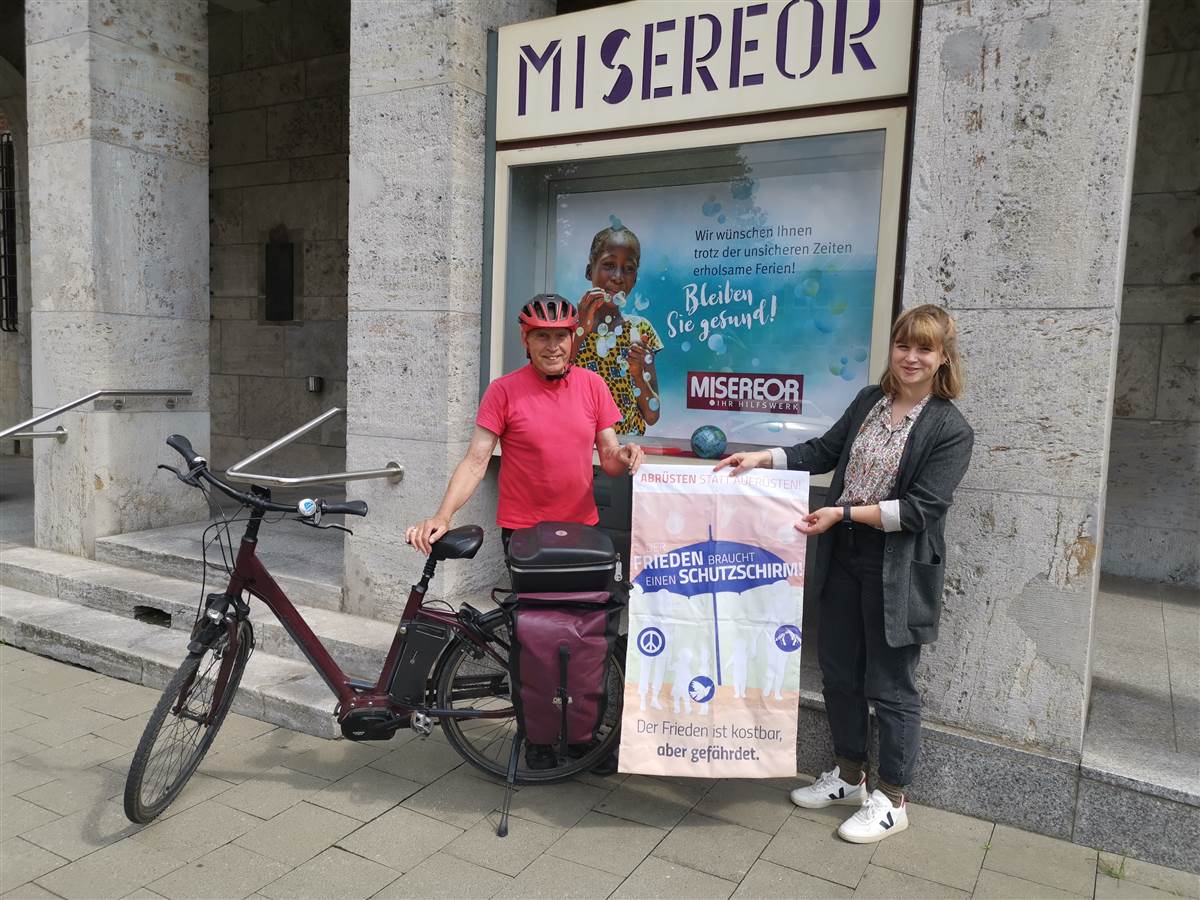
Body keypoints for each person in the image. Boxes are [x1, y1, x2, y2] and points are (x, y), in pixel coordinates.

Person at [714, 304, 973, 844]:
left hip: (894, 568)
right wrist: (761, 457)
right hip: (841, 557)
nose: (911, 356)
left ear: (943, 357)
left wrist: (843, 512)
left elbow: (921, 510)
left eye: (924, 348)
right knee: (838, 673)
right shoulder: (868, 403)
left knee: (891, 685)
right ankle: (850, 777)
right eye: (904, 345)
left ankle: (893, 798)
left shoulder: (950, 428)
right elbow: (823, 451)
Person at [406, 294, 645, 770]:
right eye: (543, 337)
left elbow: (610, 458)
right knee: (531, 637)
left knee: (586, 636)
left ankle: (583, 736)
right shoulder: (504, 391)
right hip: (525, 537)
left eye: (561, 336)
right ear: (526, 340)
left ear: (574, 338)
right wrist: (443, 515)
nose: (553, 346)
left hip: (581, 536)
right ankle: (537, 737)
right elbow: (477, 460)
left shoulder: (594, 386)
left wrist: (627, 456)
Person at [572, 225, 665, 436]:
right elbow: (552, 387)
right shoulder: (565, 327)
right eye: (609, 265)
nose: (618, 277)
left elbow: (652, 416)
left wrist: (637, 373)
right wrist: (580, 331)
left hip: (626, 454)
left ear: (635, 278)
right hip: (580, 449)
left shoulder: (641, 330)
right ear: (589, 271)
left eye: (628, 268)